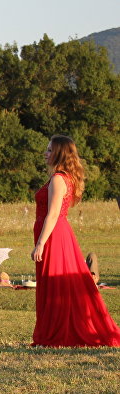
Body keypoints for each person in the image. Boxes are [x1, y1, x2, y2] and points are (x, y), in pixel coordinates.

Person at [30, 135, 120, 347]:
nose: (46, 153)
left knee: (55, 283)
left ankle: (56, 332)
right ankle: (53, 330)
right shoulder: (61, 178)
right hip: (55, 233)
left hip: (54, 235)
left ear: (60, 153)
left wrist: (41, 243)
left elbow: (53, 215)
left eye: (50, 150)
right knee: (56, 283)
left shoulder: (59, 179)